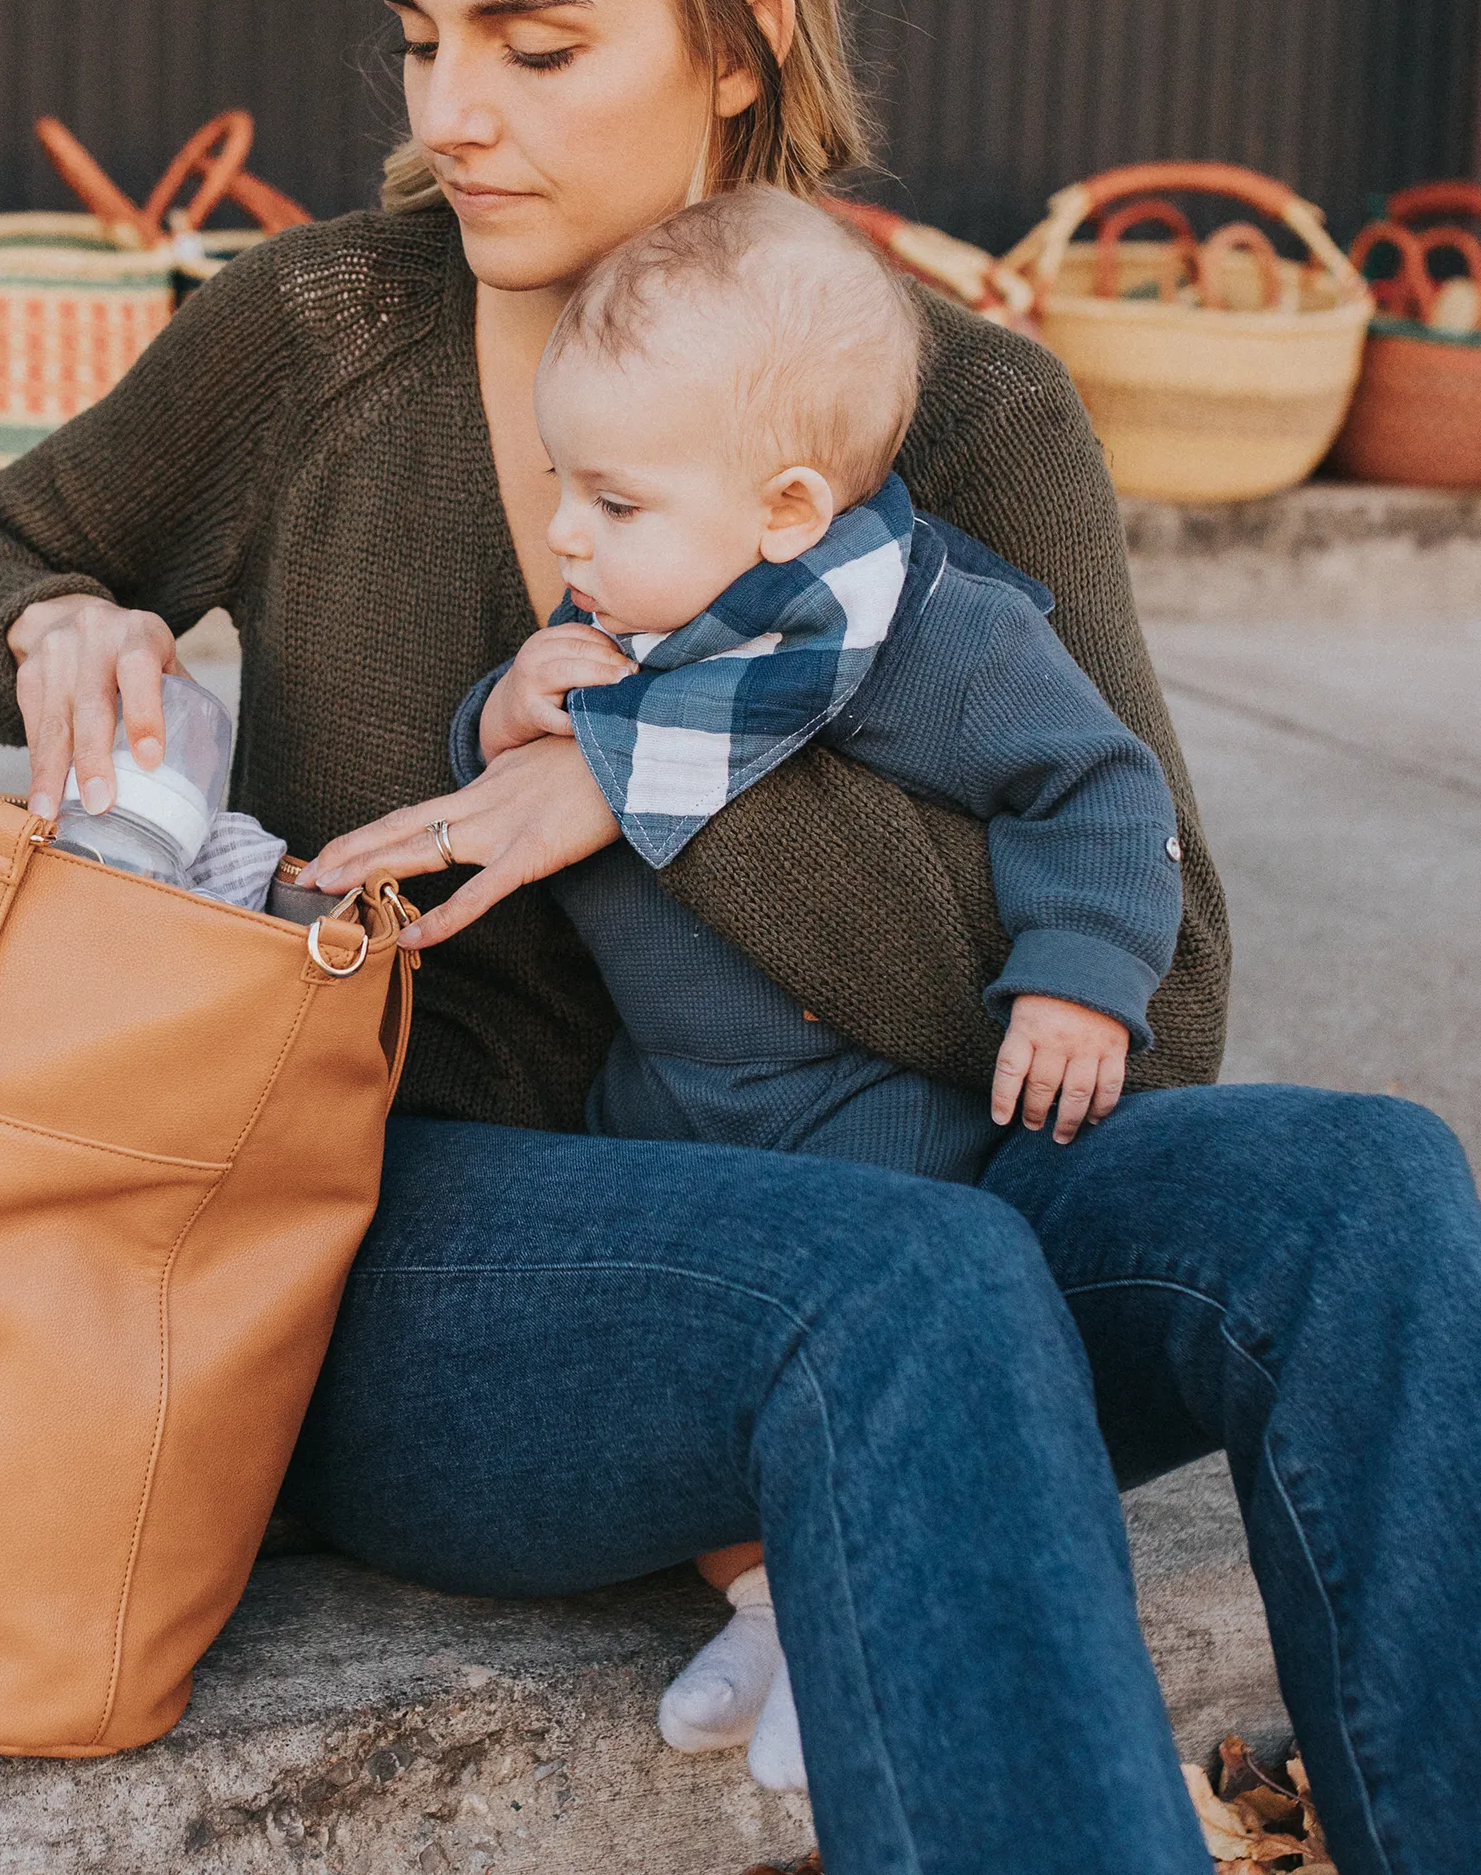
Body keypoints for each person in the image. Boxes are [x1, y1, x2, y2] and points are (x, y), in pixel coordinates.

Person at [0, 0, 1481, 1875]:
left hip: (903, 1199)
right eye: (416, 38)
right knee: (892, 1284)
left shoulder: (963, 412)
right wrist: (46, 628)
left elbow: (1150, 996)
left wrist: (647, 783)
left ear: (739, 38)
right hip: (414, 1268)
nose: (452, 114)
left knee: (1362, 1187)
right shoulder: (321, 331)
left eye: (535, 46)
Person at [448, 185, 1186, 1787]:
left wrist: (1076, 978)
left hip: (877, 1128)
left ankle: (847, 1618)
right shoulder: (622, 630)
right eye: (560, 483)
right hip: (666, 1118)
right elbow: (496, 817)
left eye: (614, 500)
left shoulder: (945, 641)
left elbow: (1102, 794)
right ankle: (768, 1599)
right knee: (694, 1374)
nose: (566, 532)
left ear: (787, 508)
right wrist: (503, 715)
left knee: (876, 1343)